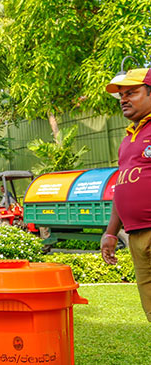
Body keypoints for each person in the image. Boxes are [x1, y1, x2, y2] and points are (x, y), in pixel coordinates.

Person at [102, 67, 151, 322]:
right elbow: (122, 188)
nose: (123, 99)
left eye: (131, 92)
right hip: (135, 236)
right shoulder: (129, 139)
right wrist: (111, 233)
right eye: (121, 95)